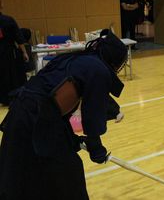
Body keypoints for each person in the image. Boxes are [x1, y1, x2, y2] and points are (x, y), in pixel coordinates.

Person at [0, 31, 127, 199]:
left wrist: (72, 140)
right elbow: (92, 114)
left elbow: (55, 106)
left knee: (23, 173)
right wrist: (95, 146)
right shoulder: (98, 70)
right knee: (68, 175)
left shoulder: (76, 59)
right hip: (34, 120)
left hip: (23, 114)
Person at [0, 0, 29, 106]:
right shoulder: (8, 20)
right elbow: (19, 38)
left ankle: (3, 99)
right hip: (9, 52)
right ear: (1, 5)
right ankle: (15, 97)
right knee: (13, 74)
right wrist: (24, 52)